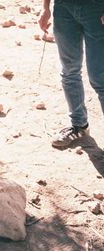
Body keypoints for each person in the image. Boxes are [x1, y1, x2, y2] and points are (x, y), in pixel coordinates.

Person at [39, 0, 104, 148]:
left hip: (97, 8)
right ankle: (79, 126)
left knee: (100, 78)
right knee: (69, 71)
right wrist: (45, 7)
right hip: (63, 9)